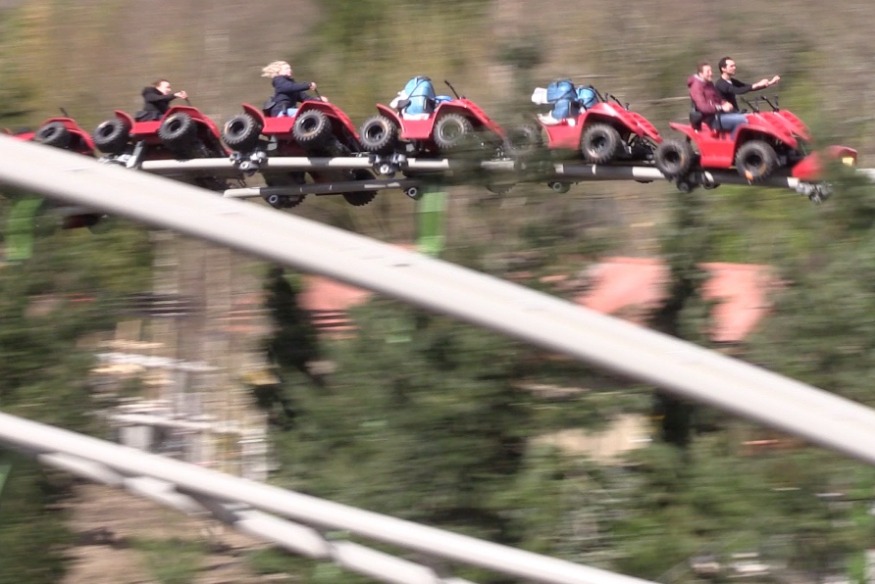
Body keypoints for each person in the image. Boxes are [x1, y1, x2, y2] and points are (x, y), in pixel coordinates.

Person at [688, 61, 747, 133]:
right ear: (701, 74)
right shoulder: (696, 87)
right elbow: (702, 107)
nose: (711, 73)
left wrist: (725, 103)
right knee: (742, 120)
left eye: (711, 71)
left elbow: (718, 98)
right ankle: (734, 139)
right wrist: (721, 107)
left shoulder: (709, 83)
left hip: (718, 114)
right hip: (710, 119)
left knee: (747, 117)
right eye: (708, 72)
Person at [261, 61, 326, 117]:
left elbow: (306, 99)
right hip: (281, 112)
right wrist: (308, 85)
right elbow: (289, 87)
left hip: (290, 111)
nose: (290, 70)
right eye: (286, 68)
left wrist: (320, 101)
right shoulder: (279, 81)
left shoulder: (293, 87)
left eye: (290, 68)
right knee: (307, 113)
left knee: (314, 112)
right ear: (279, 72)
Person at [715, 56, 780, 111]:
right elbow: (737, 90)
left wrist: (771, 82)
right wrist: (758, 84)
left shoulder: (732, 81)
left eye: (734, 66)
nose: (734, 68)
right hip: (725, 115)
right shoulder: (721, 83)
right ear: (723, 69)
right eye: (731, 66)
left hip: (734, 113)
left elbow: (747, 87)